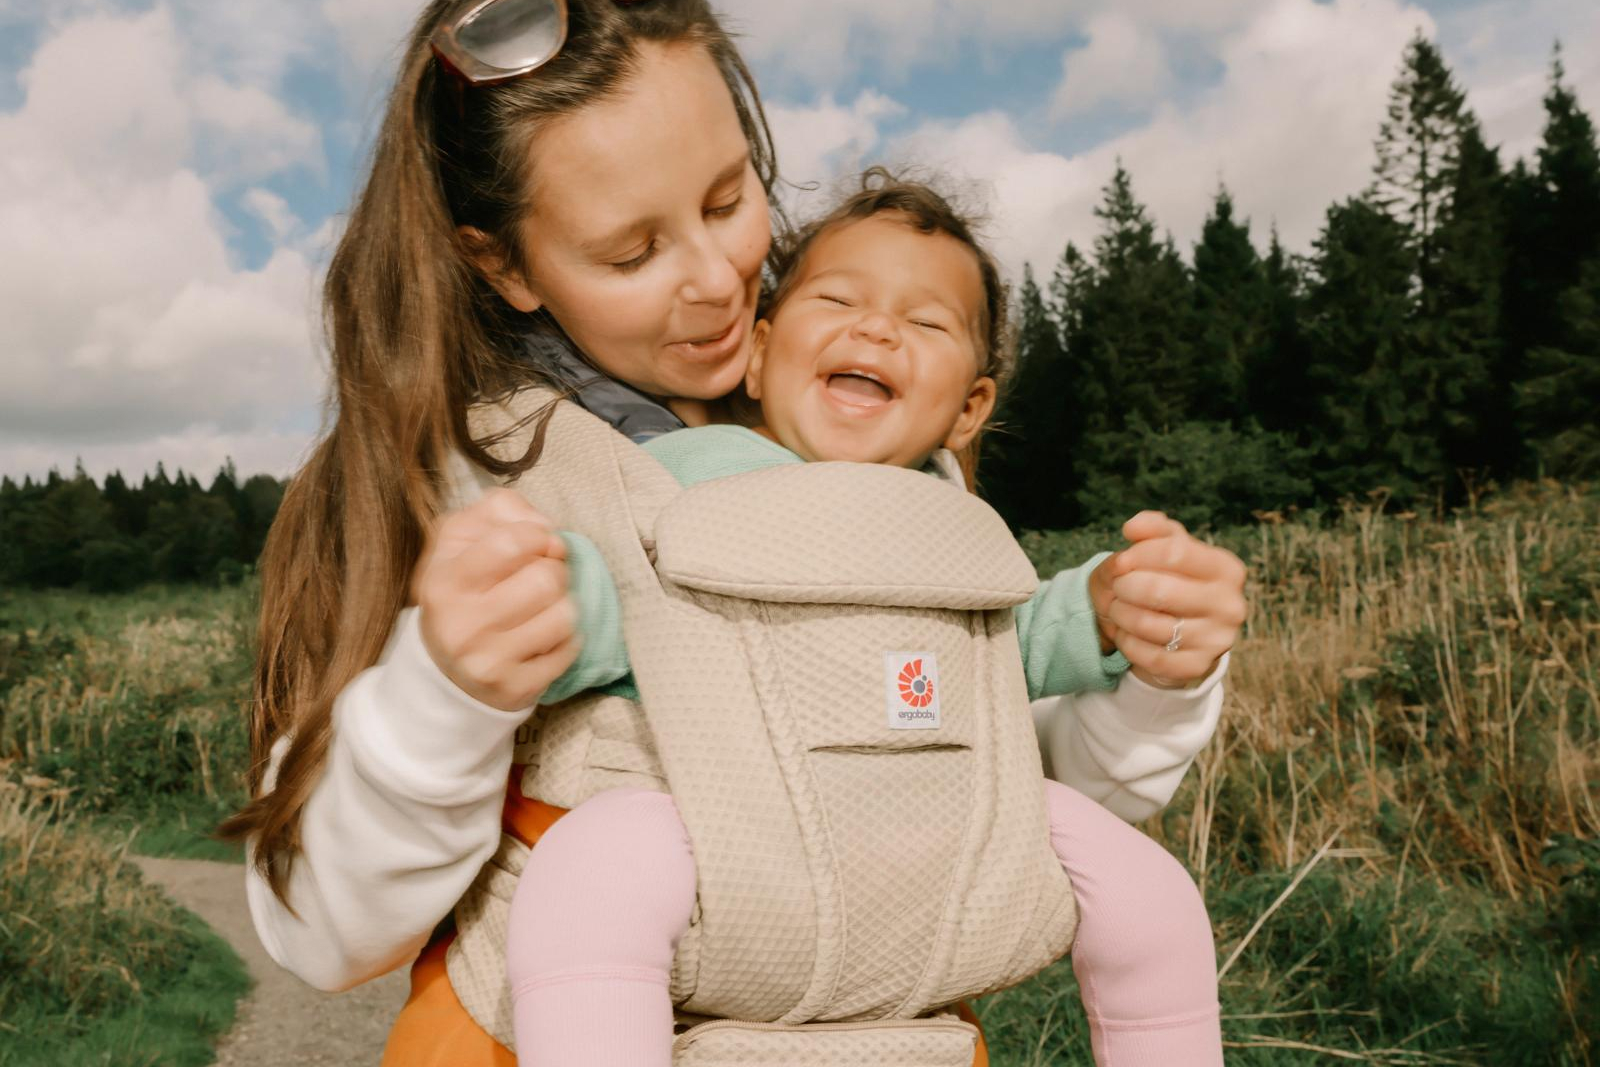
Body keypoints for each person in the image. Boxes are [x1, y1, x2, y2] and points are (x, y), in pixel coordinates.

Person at [222, 2, 1249, 1064]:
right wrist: (446, 694)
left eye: (728, 198)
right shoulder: (456, 485)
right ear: (504, 266)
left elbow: (985, 798)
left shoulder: (866, 420)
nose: (716, 279)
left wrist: (1151, 676)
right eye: (631, 252)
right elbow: (323, 931)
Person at [504, 174, 1225, 1067]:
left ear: (968, 409)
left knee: (1150, 891)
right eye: (839, 299)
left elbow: (1017, 642)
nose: (877, 327)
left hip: (945, 813)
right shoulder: (689, 475)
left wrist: (1111, 609)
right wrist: (542, 594)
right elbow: (625, 588)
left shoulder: (958, 524)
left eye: (926, 323)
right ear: (759, 355)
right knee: (590, 868)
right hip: (733, 820)